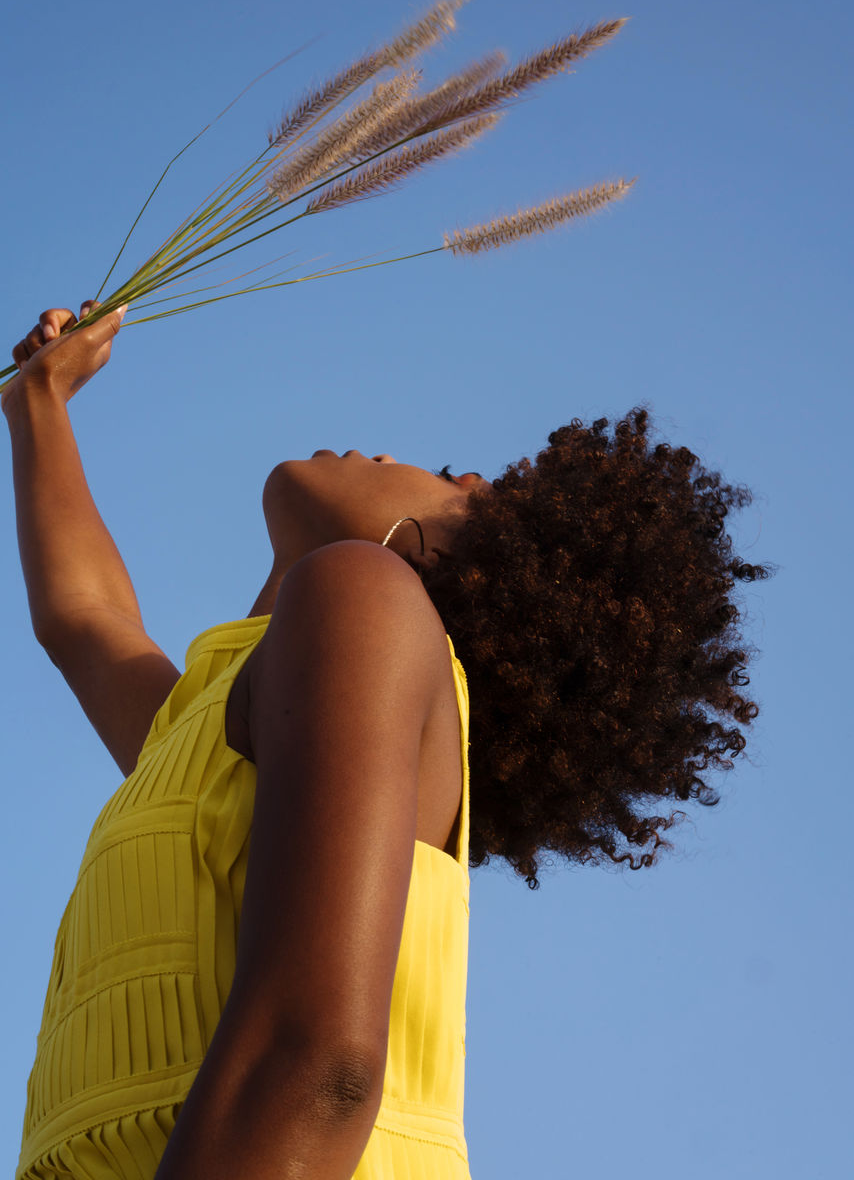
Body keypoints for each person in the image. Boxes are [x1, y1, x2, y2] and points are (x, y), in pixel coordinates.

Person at [3, 302, 771, 1180]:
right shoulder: (201, 726)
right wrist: (41, 406)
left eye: (448, 478)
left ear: (461, 567)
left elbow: (314, 1066)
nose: (392, 453)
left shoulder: (361, 595)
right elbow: (84, 618)